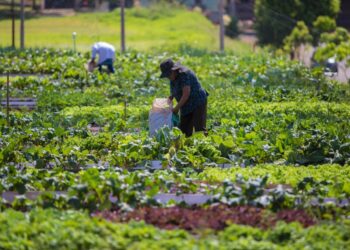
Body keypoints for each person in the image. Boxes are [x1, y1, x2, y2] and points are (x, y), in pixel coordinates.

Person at [159, 58, 208, 137]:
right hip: (186, 105)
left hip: (197, 101)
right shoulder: (172, 77)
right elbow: (176, 90)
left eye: (169, 74)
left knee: (200, 129)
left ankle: (205, 146)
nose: (168, 77)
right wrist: (170, 98)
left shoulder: (183, 74)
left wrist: (176, 108)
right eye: (166, 75)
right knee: (184, 131)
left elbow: (186, 94)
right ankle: (188, 147)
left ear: (174, 70)